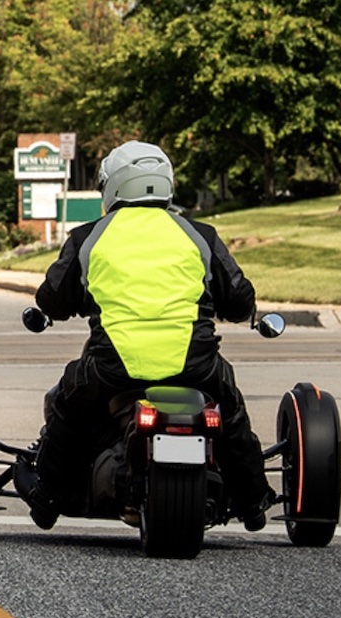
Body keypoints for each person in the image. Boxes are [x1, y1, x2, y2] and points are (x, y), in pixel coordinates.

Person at [18, 140, 276, 530]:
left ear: (113, 186)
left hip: (112, 367)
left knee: (67, 409)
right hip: (196, 364)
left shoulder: (89, 237)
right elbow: (239, 299)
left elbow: (52, 299)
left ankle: (47, 498)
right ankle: (254, 502)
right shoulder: (199, 235)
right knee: (232, 415)